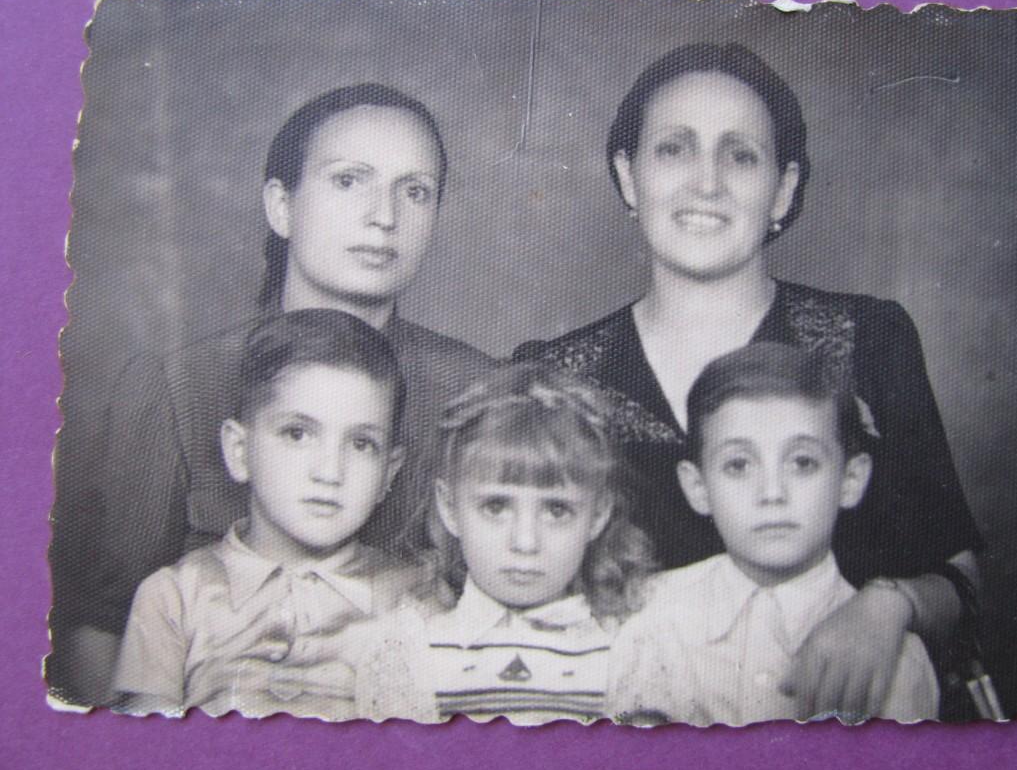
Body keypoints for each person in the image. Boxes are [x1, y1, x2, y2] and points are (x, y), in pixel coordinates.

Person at [516, 43, 983, 719]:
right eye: (673, 149)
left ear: (783, 189)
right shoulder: (552, 378)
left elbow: (962, 582)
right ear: (628, 176)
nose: (706, 183)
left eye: (740, 156)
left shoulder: (868, 340)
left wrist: (890, 607)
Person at [50, 84, 495, 706]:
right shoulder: (177, 386)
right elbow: (104, 627)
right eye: (349, 181)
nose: (384, 216)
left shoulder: (480, 395)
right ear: (281, 207)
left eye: (415, 191)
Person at [113, 310, 429, 718]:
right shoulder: (174, 598)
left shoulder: (416, 598)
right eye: (297, 434)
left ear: (389, 471)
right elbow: (143, 747)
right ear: (240, 451)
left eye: (361, 444)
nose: (330, 472)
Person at [609, 342, 939, 725]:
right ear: (697, 487)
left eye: (802, 462)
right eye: (738, 465)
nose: (772, 493)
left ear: (850, 480)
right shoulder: (647, 617)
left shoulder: (895, 658)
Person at [355, 363, 655, 725]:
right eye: (495, 507)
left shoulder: (627, 652)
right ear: (450, 508)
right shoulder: (411, 651)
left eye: (557, 510)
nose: (525, 542)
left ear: (598, 515)